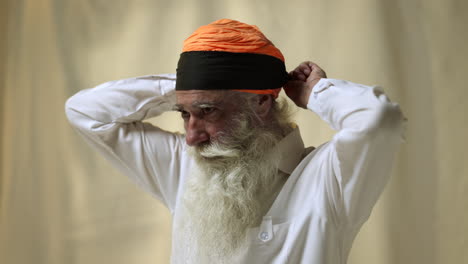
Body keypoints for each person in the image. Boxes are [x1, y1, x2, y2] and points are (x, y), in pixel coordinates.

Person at [65, 19, 406, 264]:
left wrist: (317, 93)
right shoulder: (184, 165)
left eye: (208, 110)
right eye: (184, 113)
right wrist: (192, 86)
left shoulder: (328, 180)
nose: (191, 135)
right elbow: (84, 111)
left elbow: (377, 120)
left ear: (260, 102)